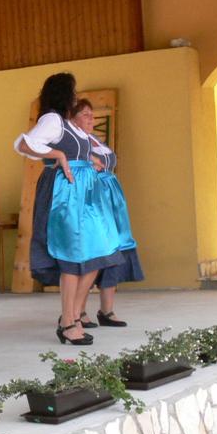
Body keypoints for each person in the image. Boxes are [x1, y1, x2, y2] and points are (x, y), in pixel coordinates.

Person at [14, 73, 122, 345]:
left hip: (84, 195)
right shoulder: (52, 120)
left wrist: (92, 162)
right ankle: (69, 322)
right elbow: (24, 144)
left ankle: (71, 315)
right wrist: (58, 155)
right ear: (63, 93)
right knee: (72, 259)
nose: (76, 96)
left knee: (98, 254)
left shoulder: (68, 124)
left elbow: (80, 152)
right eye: (72, 91)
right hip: (65, 194)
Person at [72, 99, 138, 326]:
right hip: (92, 200)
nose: (91, 118)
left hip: (111, 201)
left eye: (92, 114)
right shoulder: (75, 144)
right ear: (73, 119)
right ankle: (77, 312)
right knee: (94, 254)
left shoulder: (95, 140)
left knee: (116, 250)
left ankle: (106, 311)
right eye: (85, 114)